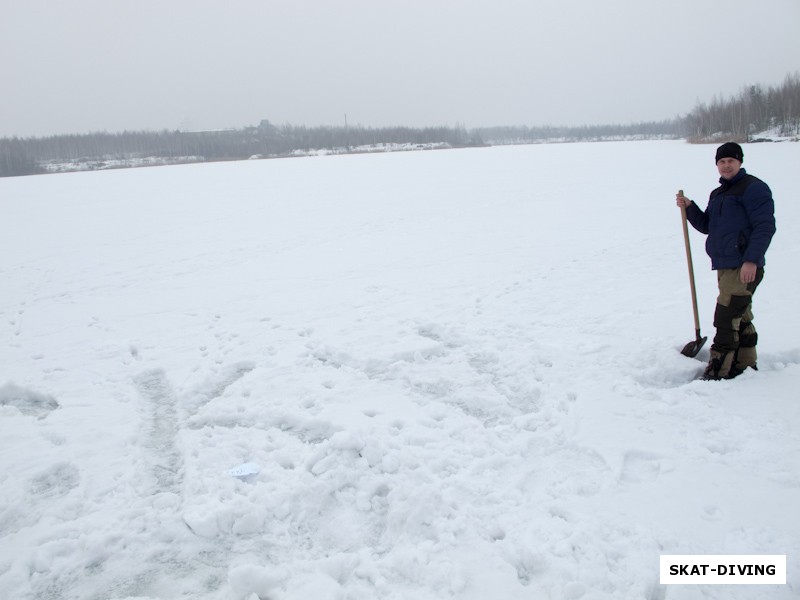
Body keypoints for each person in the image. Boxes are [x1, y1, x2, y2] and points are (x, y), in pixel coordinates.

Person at [676, 142, 776, 380]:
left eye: (730, 160)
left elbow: (765, 226)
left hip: (744, 266)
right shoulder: (718, 194)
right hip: (725, 264)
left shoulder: (753, 188)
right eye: (721, 161)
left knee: (725, 317)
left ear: (740, 162)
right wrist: (690, 208)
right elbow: (707, 225)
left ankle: (718, 371)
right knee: (740, 314)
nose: (726, 165)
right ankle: (745, 363)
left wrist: (751, 260)